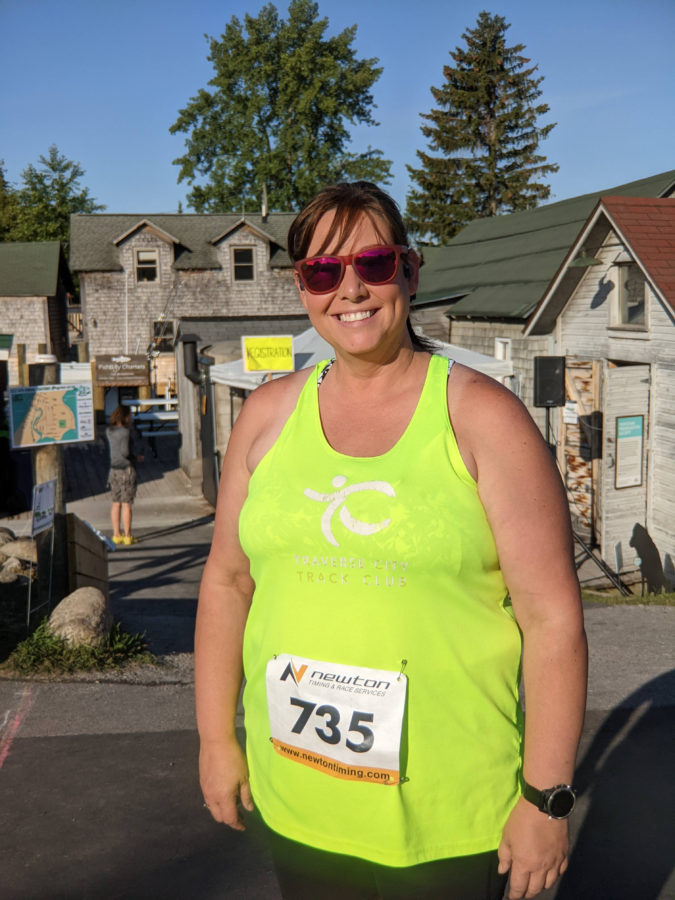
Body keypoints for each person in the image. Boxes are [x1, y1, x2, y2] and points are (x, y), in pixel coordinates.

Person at [195, 182, 587, 900]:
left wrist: (546, 799)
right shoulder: (267, 415)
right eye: (323, 271)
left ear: (409, 270)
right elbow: (228, 581)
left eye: (372, 263)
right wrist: (216, 739)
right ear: (302, 288)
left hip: (449, 812)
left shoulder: (482, 417)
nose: (349, 289)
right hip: (300, 799)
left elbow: (551, 618)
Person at [106, 404, 143, 546]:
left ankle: (116, 535)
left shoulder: (109, 431)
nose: (131, 418)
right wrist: (136, 458)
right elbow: (125, 452)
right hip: (126, 469)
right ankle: (127, 535)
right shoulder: (125, 432)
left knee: (116, 503)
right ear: (125, 417)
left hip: (113, 469)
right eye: (130, 415)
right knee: (126, 503)